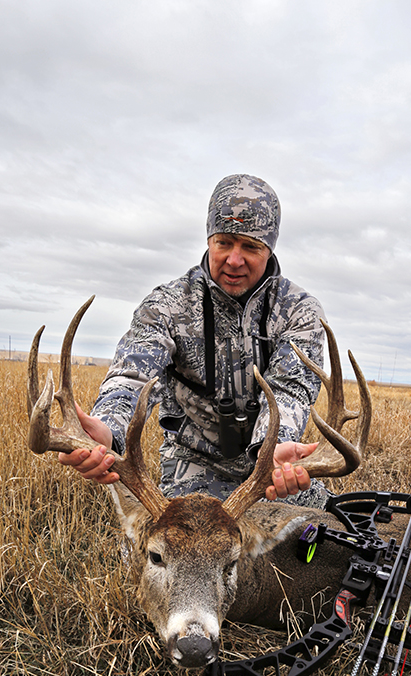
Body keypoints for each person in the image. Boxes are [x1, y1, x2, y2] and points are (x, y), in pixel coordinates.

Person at [59, 174, 329, 507]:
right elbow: (133, 375)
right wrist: (108, 429)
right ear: (209, 239)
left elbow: (292, 390)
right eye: (224, 242)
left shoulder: (300, 312)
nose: (234, 259)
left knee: (328, 536)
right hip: (195, 464)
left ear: (269, 249)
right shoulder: (167, 305)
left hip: (272, 467)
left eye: (251, 246)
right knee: (179, 551)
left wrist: (274, 449)